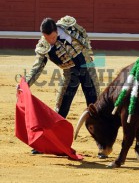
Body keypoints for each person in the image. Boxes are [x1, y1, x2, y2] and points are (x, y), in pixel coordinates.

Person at [25, 16, 100, 153]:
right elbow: (37, 68)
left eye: (53, 37)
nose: (51, 41)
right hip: (70, 73)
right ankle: (48, 142)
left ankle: (102, 145)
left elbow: (84, 35)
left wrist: (88, 55)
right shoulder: (44, 45)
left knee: (95, 108)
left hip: (87, 68)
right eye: (48, 39)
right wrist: (26, 83)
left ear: (57, 30)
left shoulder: (69, 27)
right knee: (60, 110)